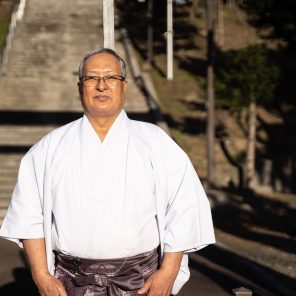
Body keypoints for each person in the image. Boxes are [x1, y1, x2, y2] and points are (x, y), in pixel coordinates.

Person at [0, 48, 215, 296]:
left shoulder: (155, 141)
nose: (102, 86)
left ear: (124, 86)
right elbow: (28, 216)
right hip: (71, 282)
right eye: (92, 78)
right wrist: (41, 276)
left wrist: (168, 272)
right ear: (80, 87)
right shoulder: (50, 147)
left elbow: (183, 208)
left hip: (142, 280)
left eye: (110, 77)